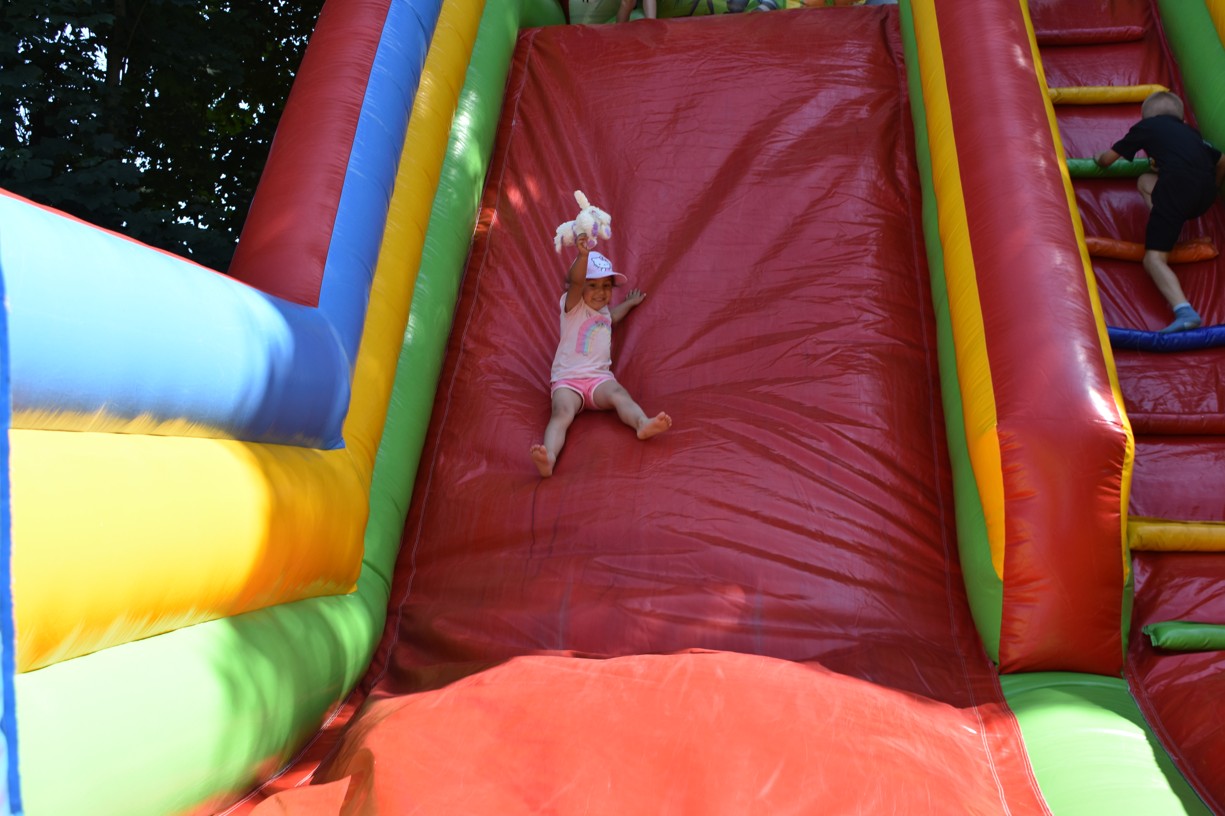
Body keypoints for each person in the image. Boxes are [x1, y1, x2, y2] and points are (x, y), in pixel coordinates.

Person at [530, 235, 671, 478]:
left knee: (619, 394)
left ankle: (641, 423)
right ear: (579, 289)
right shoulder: (573, 308)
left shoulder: (604, 313)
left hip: (598, 380)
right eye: (593, 285)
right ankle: (549, 456)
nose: (601, 292)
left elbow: (612, 317)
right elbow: (575, 282)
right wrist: (583, 256)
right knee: (562, 412)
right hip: (568, 380)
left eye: (606, 286)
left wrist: (630, 304)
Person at [1095, 90, 1225, 333]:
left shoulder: (1146, 127)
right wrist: (1214, 189)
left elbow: (1107, 160)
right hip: (1204, 197)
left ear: (1147, 118)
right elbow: (1222, 160)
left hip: (1175, 192)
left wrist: (1098, 158)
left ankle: (1184, 311)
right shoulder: (1192, 133)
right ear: (1181, 119)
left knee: (1153, 260)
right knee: (1145, 181)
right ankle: (1169, 227)